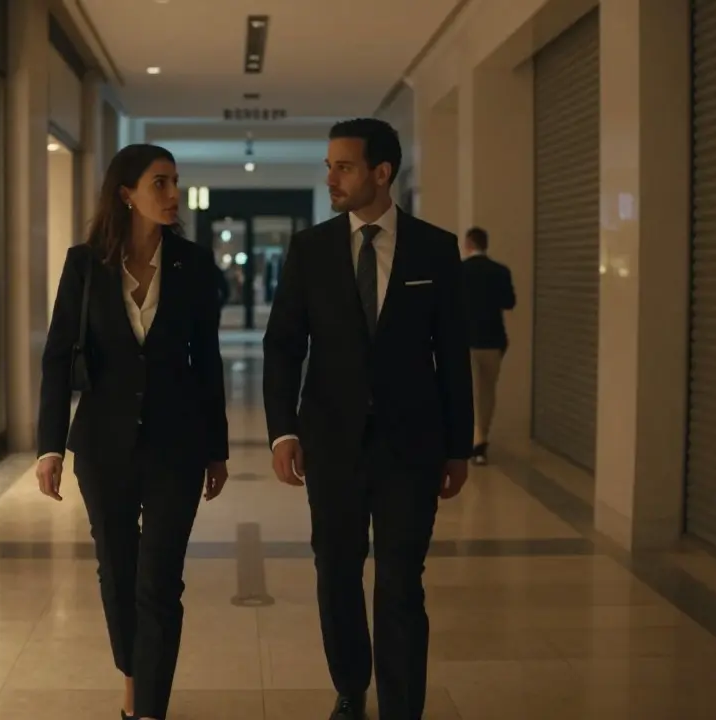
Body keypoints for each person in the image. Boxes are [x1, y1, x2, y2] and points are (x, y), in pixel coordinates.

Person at [262, 118, 473, 720]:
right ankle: (351, 687)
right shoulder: (311, 249)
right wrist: (283, 430)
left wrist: (458, 446)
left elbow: (452, 354)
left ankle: (402, 707)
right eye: (329, 166)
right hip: (331, 443)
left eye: (344, 167)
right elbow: (283, 345)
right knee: (337, 573)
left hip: (412, 445)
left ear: (381, 172)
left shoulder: (435, 248)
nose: (331, 178)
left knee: (401, 581)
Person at [35, 143, 230, 720]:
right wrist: (49, 446)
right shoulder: (84, 264)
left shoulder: (193, 264)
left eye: (175, 182)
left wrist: (217, 449)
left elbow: (208, 361)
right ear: (126, 194)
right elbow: (56, 358)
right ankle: (132, 681)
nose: (173, 195)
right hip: (103, 445)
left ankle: (148, 709)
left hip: (177, 445)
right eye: (159, 183)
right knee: (118, 575)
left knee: (160, 581)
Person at [461, 226, 516, 465]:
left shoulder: (459, 270)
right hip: (493, 340)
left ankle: (476, 441)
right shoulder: (500, 271)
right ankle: (481, 439)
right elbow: (509, 302)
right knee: (487, 392)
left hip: (466, 340)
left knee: (471, 392)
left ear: (468, 244)